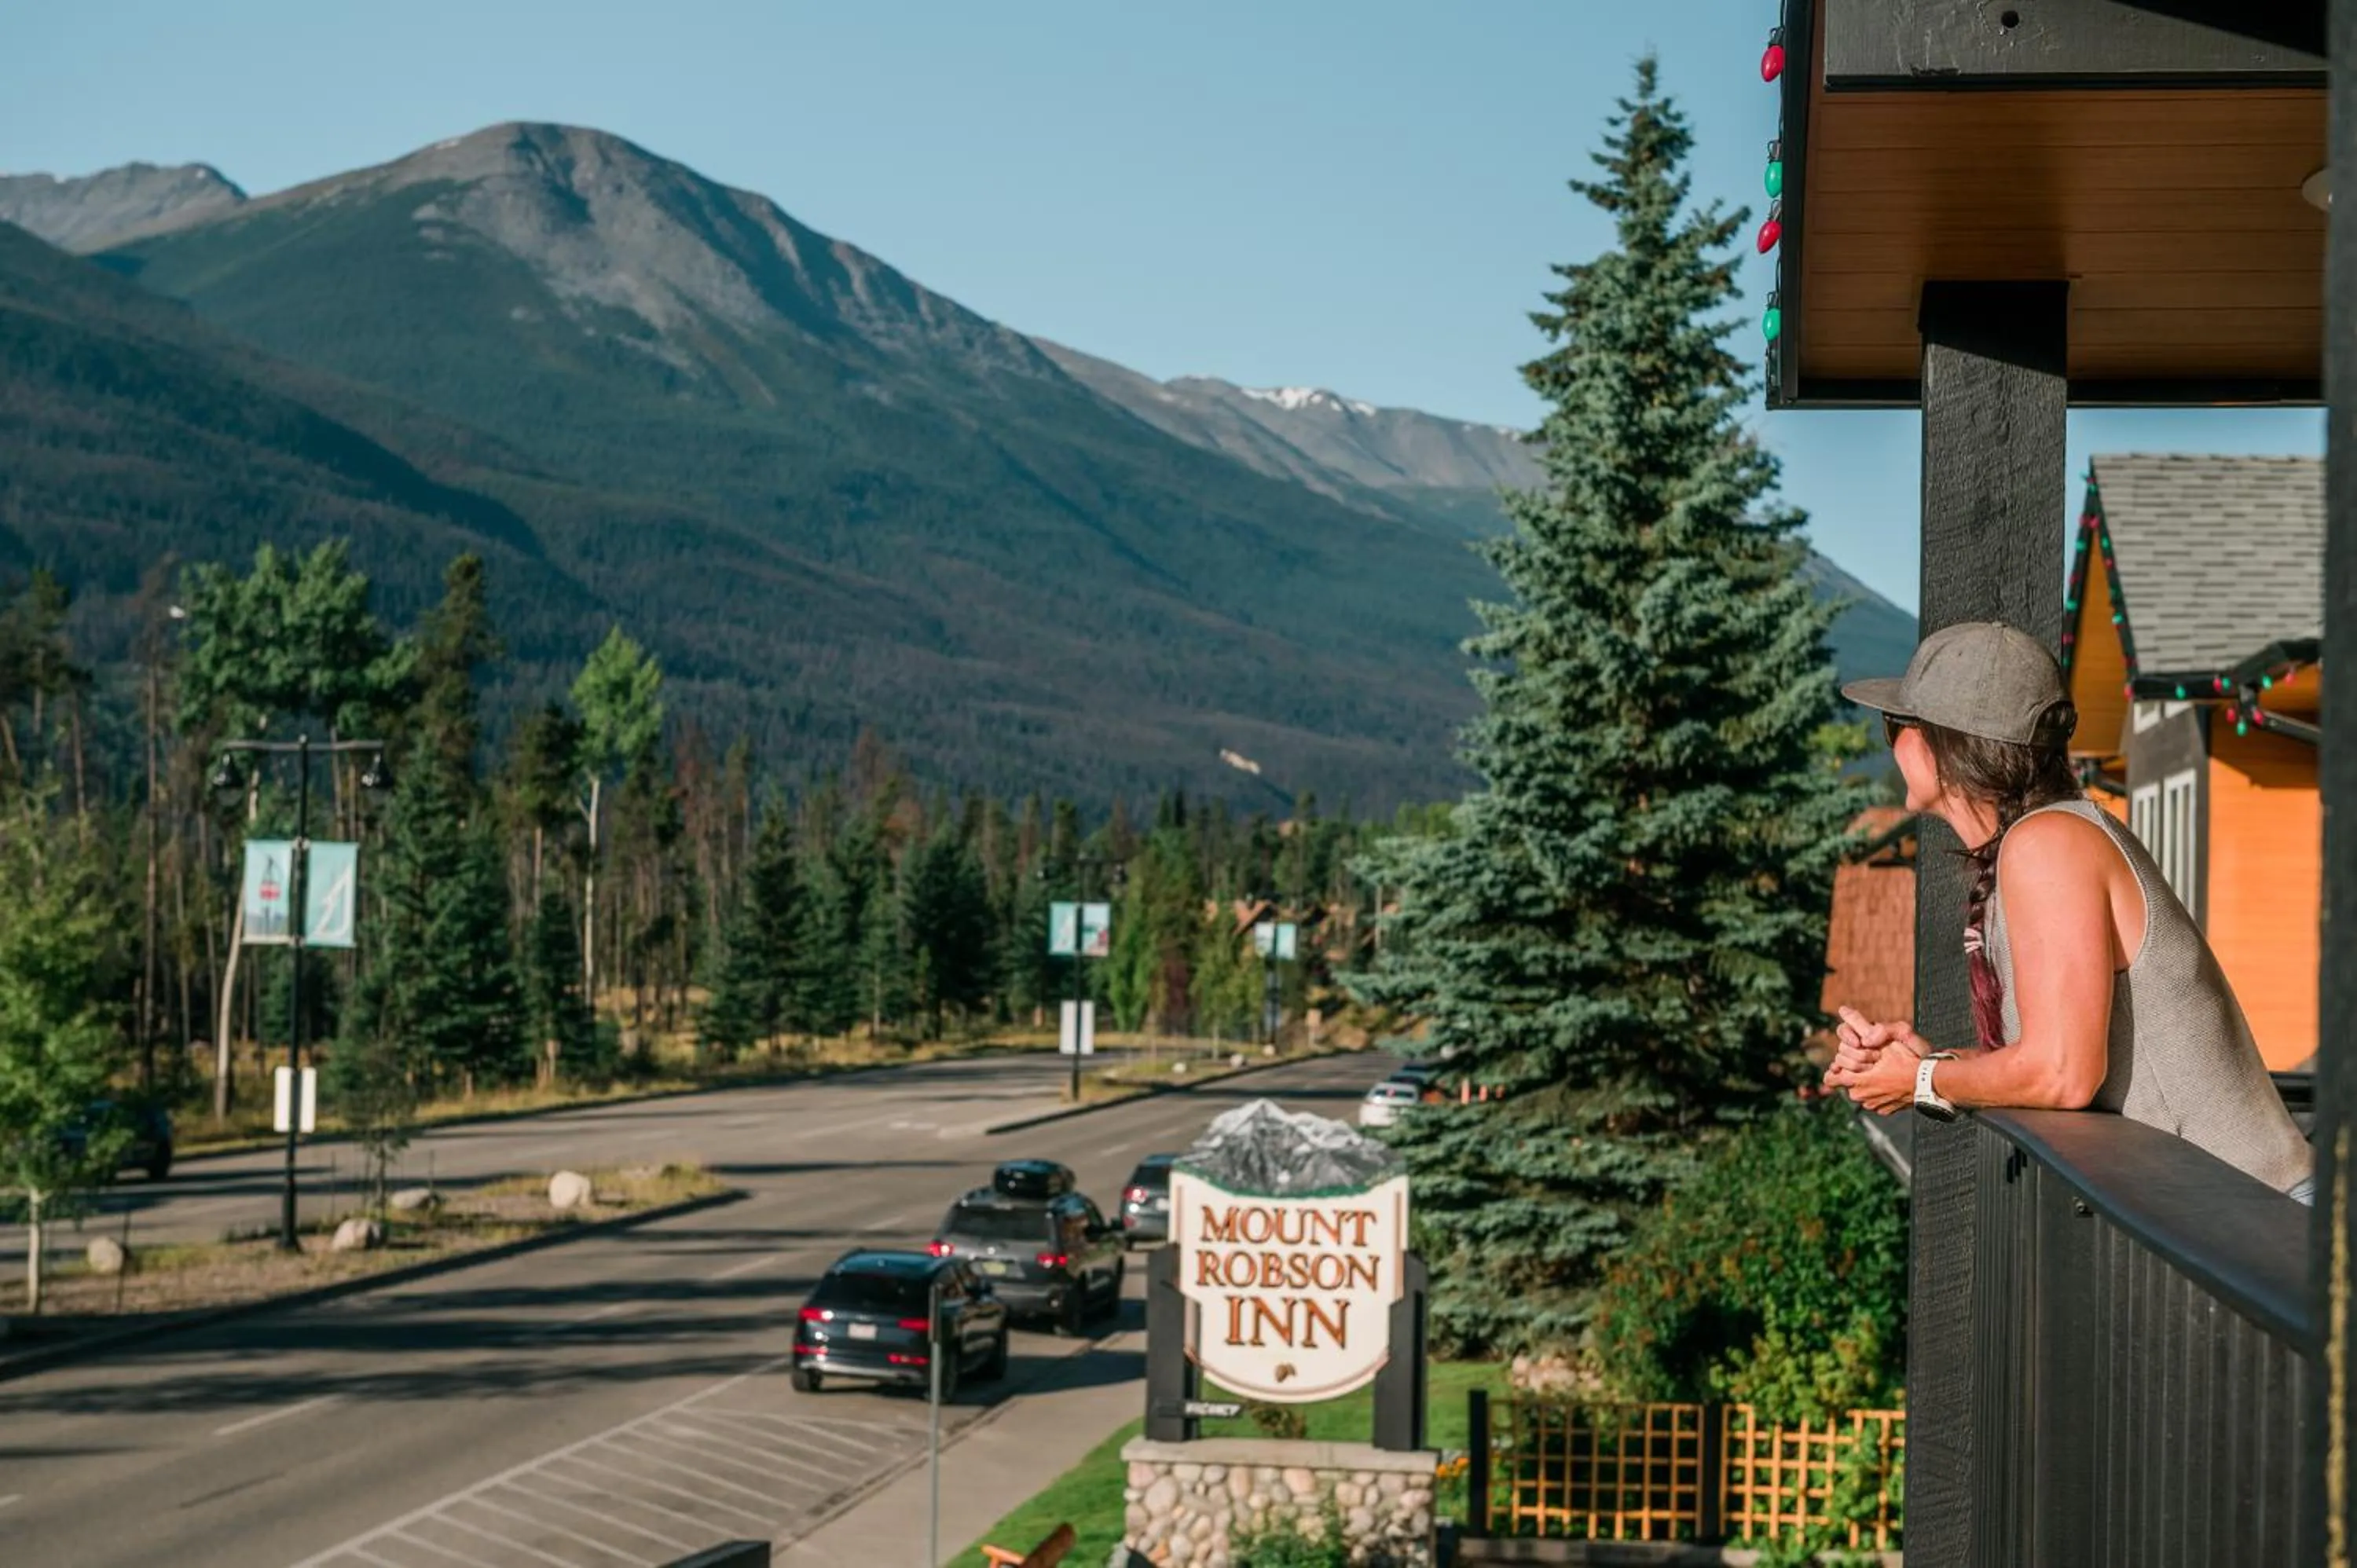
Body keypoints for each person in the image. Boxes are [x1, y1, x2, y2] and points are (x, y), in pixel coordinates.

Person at [1824, 621, 2313, 1202]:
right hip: (2234, 1211)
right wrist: (1930, 1062)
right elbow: (2050, 1056)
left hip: (2257, 1216)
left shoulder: (2048, 845)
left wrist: (1923, 1081)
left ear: (1947, 744)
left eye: (1896, 725)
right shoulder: (2047, 839)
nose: (1891, 743)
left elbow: (2062, 1073)